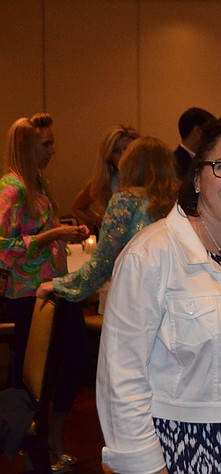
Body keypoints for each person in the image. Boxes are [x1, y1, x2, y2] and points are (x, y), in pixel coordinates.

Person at [96, 116, 221, 474]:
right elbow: (120, 377)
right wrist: (145, 467)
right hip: (180, 450)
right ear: (197, 176)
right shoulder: (151, 255)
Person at [0, 113, 91, 471]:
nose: (54, 150)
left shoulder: (38, 184)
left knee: (77, 361)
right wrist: (53, 235)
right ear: (27, 146)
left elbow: (44, 231)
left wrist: (67, 231)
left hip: (55, 289)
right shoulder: (13, 187)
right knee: (40, 378)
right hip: (28, 297)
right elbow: (3, 248)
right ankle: (36, 450)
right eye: (47, 144)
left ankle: (51, 439)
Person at [38, 136, 180, 304]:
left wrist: (61, 284)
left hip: (136, 298)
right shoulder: (179, 202)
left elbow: (103, 261)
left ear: (130, 166)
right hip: (175, 297)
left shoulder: (125, 201)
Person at [72, 124, 139, 233]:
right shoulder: (106, 180)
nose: (123, 155)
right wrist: (103, 222)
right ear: (109, 155)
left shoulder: (149, 179)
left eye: (127, 149)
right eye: (116, 151)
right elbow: (78, 207)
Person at [174, 107, 215, 176]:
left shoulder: (205, 160)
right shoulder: (173, 164)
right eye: (210, 133)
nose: (213, 139)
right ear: (198, 131)